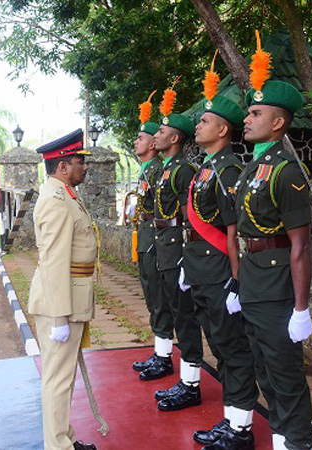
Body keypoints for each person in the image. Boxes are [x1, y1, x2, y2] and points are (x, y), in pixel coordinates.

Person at [234, 31, 312, 450]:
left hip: (278, 285)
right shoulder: (252, 169)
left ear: (278, 122)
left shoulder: (286, 170)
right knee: (266, 373)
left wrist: (301, 307)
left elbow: (301, 244)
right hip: (253, 281)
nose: (246, 119)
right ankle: (284, 441)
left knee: (285, 377)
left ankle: (299, 443)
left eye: (255, 113)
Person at [184, 56, 258, 450]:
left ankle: (241, 427)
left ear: (223, 129)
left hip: (218, 268)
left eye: (204, 121)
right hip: (200, 267)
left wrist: (236, 278)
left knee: (232, 346)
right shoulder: (207, 167)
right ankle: (232, 419)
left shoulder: (228, 169)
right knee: (219, 344)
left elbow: (233, 231)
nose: (198, 125)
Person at [28, 129, 98, 450]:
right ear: (63, 167)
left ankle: (64, 439)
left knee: (63, 378)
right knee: (57, 380)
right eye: (79, 162)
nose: (84, 167)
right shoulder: (56, 201)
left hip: (72, 297)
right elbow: (55, 262)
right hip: (62, 301)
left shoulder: (65, 193)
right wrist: (59, 317)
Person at [151, 81, 207, 411]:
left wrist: (188, 255)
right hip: (164, 246)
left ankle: (191, 383)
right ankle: (185, 377)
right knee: (174, 311)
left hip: (177, 247)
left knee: (185, 318)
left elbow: (191, 218)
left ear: (175, 138)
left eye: (161, 132)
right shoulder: (167, 168)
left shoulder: (184, 169)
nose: (156, 136)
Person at [130, 91, 175, 381]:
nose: (137, 142)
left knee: (159, 297)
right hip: (145, 235)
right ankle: (160, 350)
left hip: (157, 238)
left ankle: (164, 356)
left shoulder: (158, 170)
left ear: (152, 145)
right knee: (150, 294)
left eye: (141, 138)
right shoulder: (146, 169)